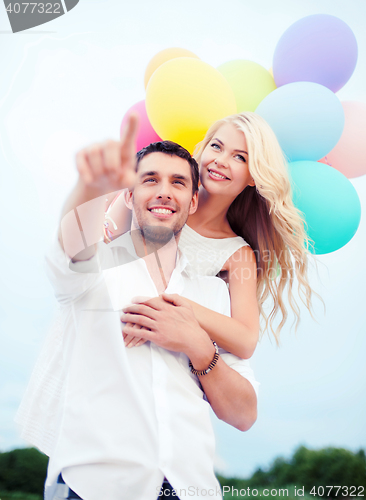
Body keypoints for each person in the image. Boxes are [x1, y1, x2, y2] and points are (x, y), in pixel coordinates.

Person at [16, 115, 259, 500]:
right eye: (149, 180)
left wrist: (197, 346)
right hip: (94, 488)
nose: (164, 191)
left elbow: (244, 414)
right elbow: (68, 253)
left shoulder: (212, 294)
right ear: (128, 195)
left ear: (193, 199)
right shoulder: (96, 272)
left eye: (179, 182)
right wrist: (91, 188)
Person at [103, 112, 316, 357]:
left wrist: (168, 306)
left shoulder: (236, 254)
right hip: (108, 326)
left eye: (239, 157)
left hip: (160, 358)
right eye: (216, 146)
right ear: (202, 150)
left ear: (253, 176)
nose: (221, 161)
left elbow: (246, 341)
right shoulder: (148, 195)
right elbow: (106, 249)